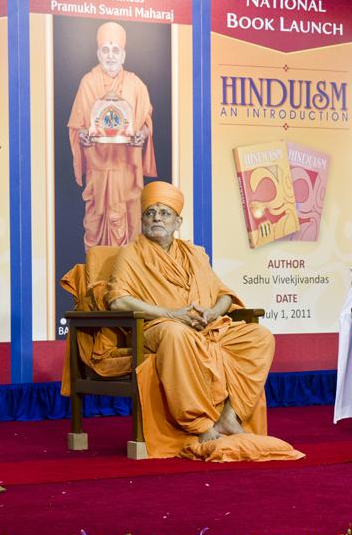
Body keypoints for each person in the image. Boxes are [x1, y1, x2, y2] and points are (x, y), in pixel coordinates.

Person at [105, 181, 275, 456]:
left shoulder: (195, 254)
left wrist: (213, 312)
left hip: (206, 327)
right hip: (157, 326)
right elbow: (118, 300)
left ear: (178, 222)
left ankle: (230, 415)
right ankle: (199, 424)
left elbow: (224, 295)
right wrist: (171, 314)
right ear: (142, 220)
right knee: (176, 334)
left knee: (260, 337)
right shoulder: (131, 254)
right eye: (150, 213)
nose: (156, 218)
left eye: (164, 213)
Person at [67, 21, 157, 252]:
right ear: (98, 53)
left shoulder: (136, 84)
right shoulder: (88, 82)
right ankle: (98, 274)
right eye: (105, 50)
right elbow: (77, 125)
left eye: (115, 50)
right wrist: (83, 135)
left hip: (127, 169)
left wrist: (142, 135)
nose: (110, 55)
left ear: (123, 55)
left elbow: (146, 121)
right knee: (94, 225)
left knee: (130, 223)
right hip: (98, 170)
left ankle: (127, 274)